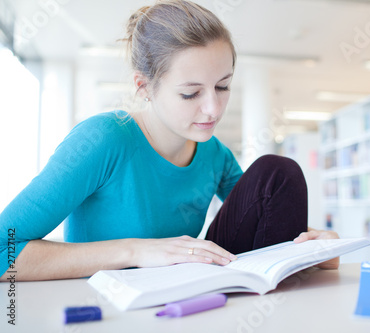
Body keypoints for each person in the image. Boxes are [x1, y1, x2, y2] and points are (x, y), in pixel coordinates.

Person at [0, 0, 339, 282]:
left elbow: (263, 216)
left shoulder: (213, 153)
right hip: (107, 302)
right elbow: (4, 248)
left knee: (277, 173)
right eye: (190, 93)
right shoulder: (102, 139)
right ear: (144, 86)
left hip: (183, 296)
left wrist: (313, 245)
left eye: (222, 86)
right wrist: (136, 250)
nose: (213, 108)